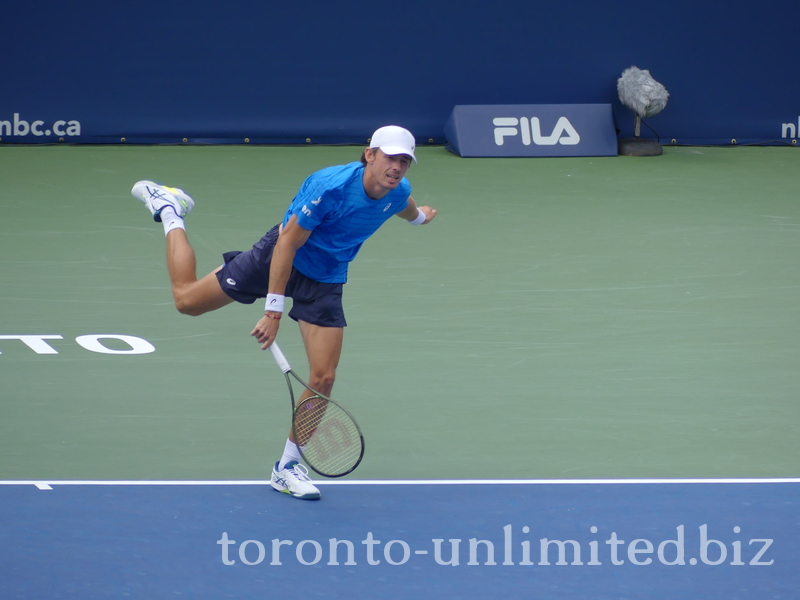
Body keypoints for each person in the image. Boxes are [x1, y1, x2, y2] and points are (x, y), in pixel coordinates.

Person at [131, 125, 436, 500]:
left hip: (324, 280)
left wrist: (420, 217)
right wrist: (272, 311)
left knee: (323, 377)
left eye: (405, 161)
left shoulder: (397, 192)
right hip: (279, 257)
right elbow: (288, 243)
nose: (397, 167)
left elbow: (404, 206)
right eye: (390, 157)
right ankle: (169, 209)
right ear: (369, 154)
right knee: (187, 301)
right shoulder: (330, 188)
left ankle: (288, 466)